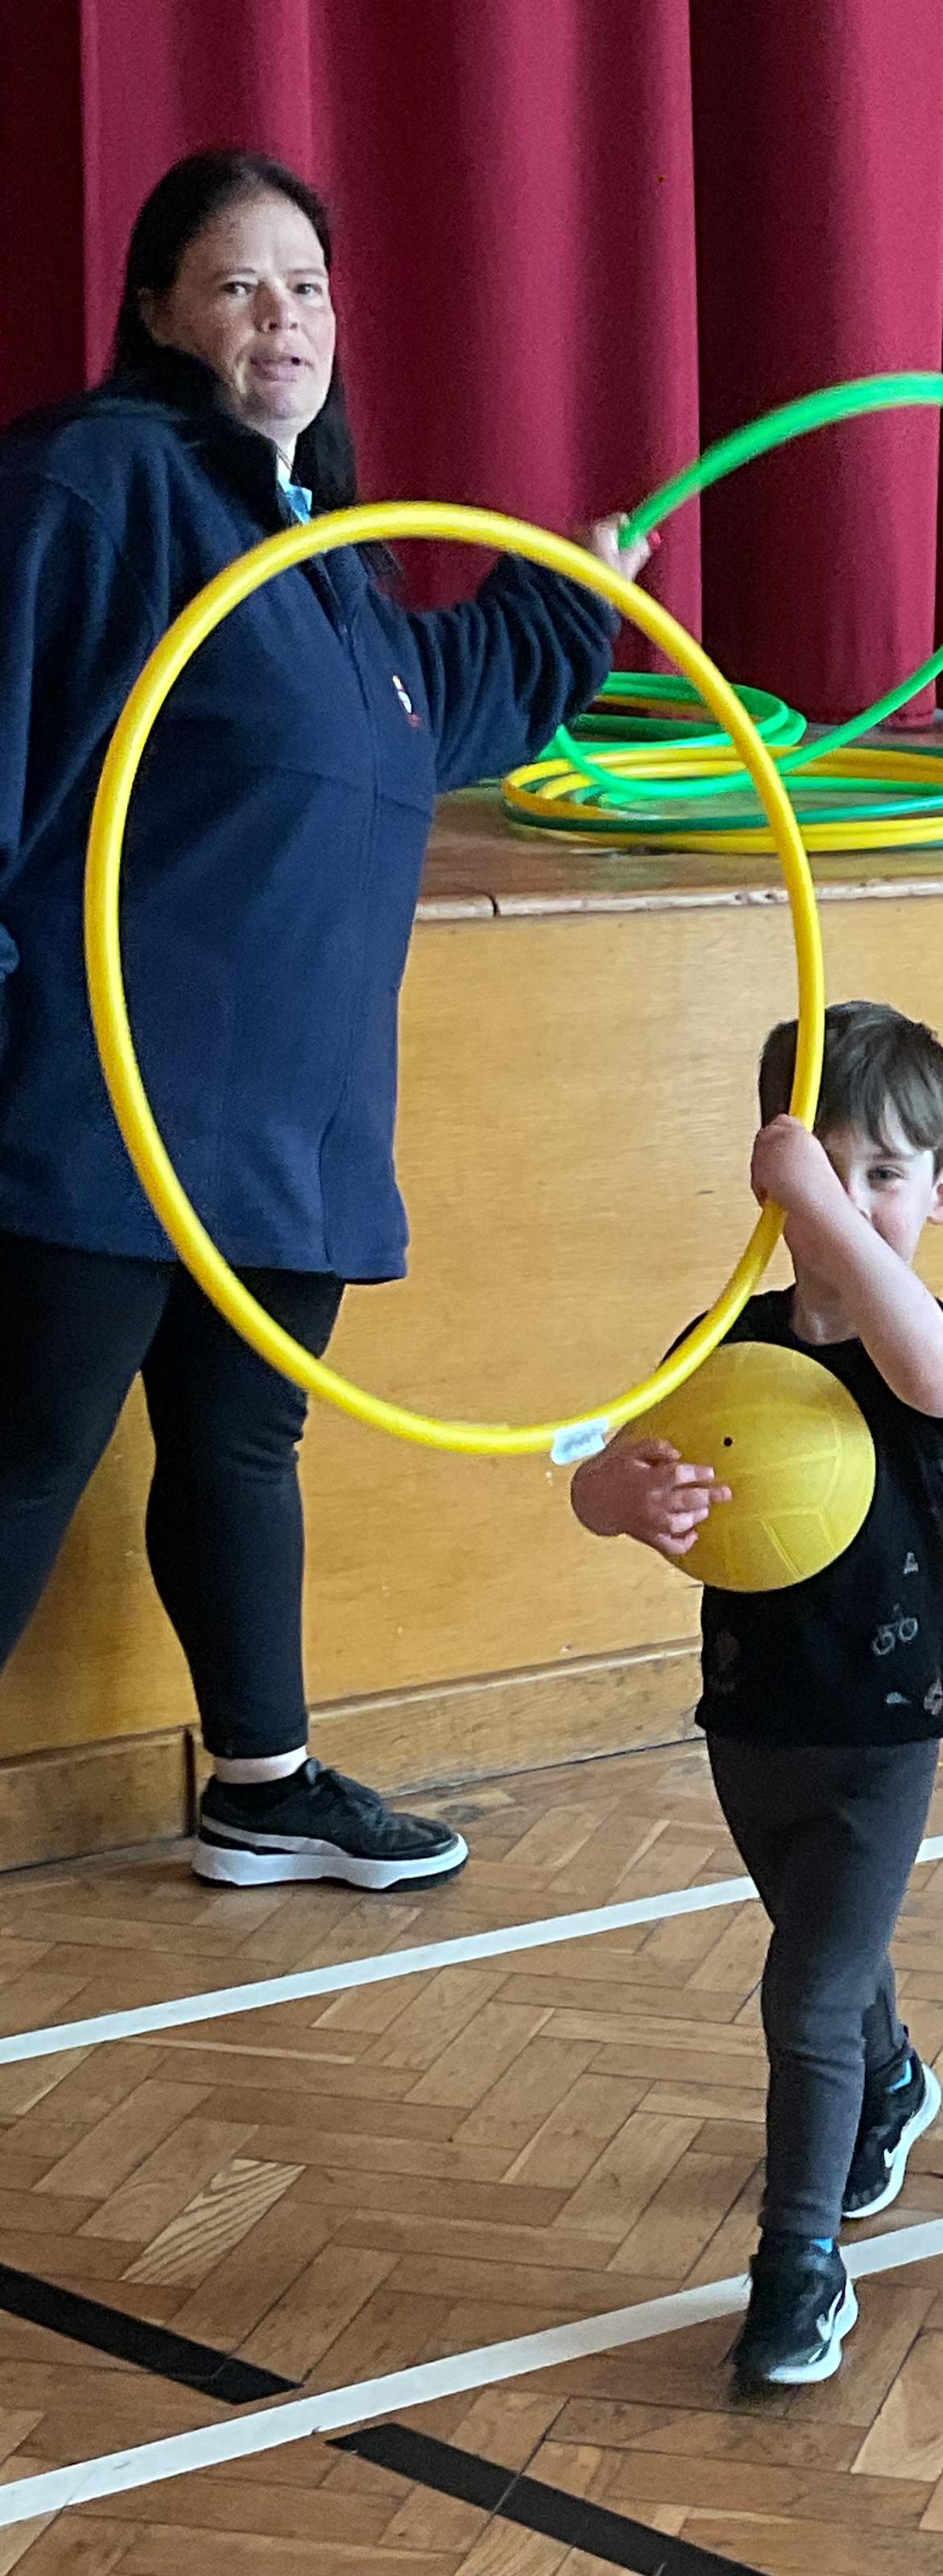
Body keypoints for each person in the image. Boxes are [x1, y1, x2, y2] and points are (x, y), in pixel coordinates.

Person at [0, 147, 639, 1890]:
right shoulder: (99, 483)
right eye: (236, 284)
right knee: (24, 1458)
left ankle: (261, 1784)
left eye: (307, 285)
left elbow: (432, 714)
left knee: (238, 1444)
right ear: (157, 313)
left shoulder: (330, 567)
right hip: (100, 1105)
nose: (281, 316)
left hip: (286, 1123)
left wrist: (573, 594)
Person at [571, 1003, 943, 2390]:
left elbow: (926, 1369)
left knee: (803, 1995)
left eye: (885, 1176)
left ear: (941, 1194)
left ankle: (798, 2265)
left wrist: (822, 1203)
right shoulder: (722, 1341)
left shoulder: (926, 1347)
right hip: (749, 1728)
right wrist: (615, 1498)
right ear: (767, 1171)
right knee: (825, 1951)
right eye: (824, 1167)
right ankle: (894, 2077)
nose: (851, 1201)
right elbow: (600, 1469)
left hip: (880, 1738)